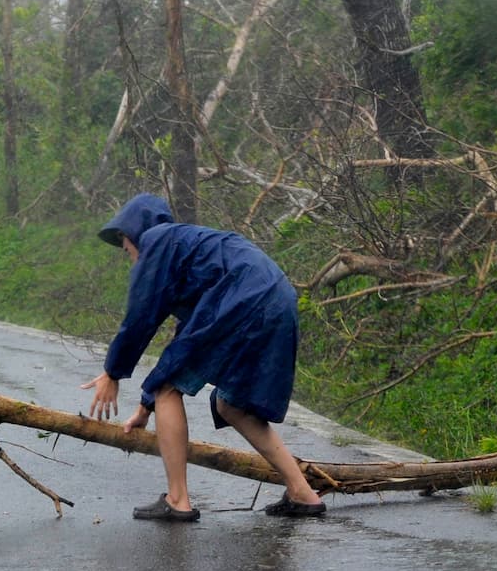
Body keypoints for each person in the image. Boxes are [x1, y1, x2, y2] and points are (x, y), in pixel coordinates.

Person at [82, 192, 327, 523]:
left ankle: (177, 500)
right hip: (277, 299)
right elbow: (185, 337)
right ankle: (302, 492)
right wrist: (145, 406)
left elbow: (140, 317)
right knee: (232, 405)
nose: (131, 259)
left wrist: (112, 372)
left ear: (136, 231)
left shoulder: (157, 242)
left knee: (168, 388)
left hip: (243, 300)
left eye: (127, 249)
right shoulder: (188, 246)